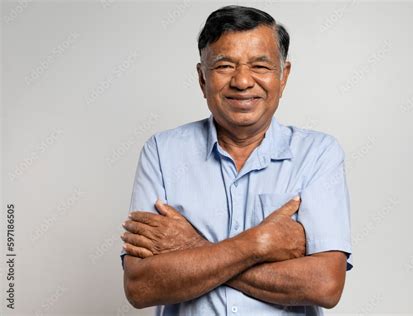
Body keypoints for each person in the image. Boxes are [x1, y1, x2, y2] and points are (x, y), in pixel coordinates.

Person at [120, 5, 353, 315]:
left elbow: (325, 285)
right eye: (224, 66)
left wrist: (193, 249)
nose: (242, 81)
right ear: (202, 79)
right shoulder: (162, 152)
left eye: (260, 66)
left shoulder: (318, 154)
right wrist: (260, 244)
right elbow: (141, 286)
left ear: (283, 76)